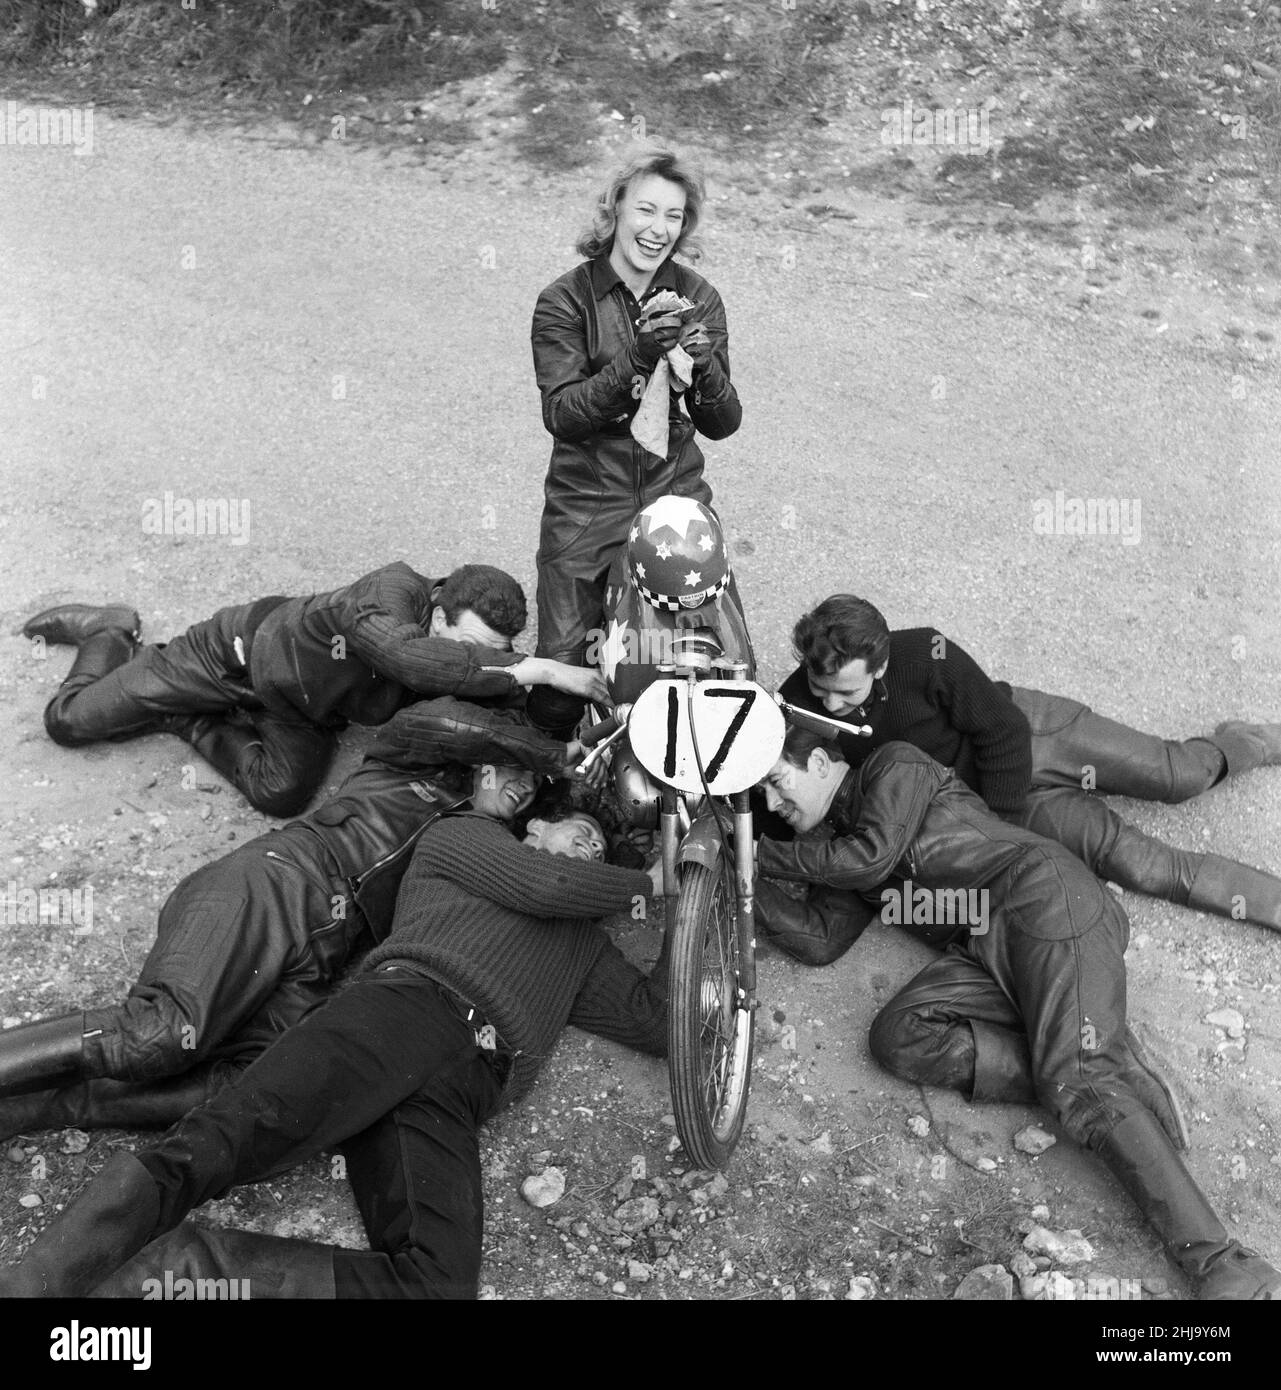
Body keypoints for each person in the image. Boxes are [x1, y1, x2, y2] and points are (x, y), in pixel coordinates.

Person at [0, 804, 664, 1300]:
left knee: (437, 1285)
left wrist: (695, 899)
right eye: (577, 830)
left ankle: (186, 1269)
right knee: (220, 1143)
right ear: (534, 831)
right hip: (400, 1011)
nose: (589, 844)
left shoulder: (586, 945)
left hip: (468, 1081)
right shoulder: (466, 839)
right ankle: (38, 1289)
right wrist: (649, 883)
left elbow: (658, 1021)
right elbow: (546, 887)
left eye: (600, 845)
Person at [753, 725, 1281, 1301]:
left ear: (824, 761)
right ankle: (1105, 1064)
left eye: (779, 784)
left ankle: (1226, 1268)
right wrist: (739, 876)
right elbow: (819, 938)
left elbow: (870, 858)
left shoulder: (891, 767)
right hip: (984, 950)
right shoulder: (834, 850)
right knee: (899, 1037)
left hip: (1044, 902)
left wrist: (757, 849)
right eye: (765, 805)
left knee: (1076, 1083)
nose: (777, 806)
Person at [0, 697, 584, 1142]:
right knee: (159, 1034)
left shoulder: (484, 849)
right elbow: (446, 722)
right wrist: (551, 752)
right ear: (484, 759)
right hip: (278, 882)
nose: (523, 785)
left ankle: (29, 1111)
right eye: (514, 768)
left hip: (322, 959)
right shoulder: (406, 761)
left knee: (254, 1087)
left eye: (532, 790)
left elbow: (542, 890)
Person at [776, 594, 1281, 931]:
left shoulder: (926, 652)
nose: (831, 705)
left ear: (880, 664)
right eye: (820, 689)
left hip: (1033, 736)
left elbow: (1003, 730)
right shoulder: (799, 701)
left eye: (845, 691)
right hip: (978, 802)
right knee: (1140, 865)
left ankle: (1249, 742)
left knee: (1178, 775)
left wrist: (997, 829)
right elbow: (776, 780)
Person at [22, 561, 605, 816]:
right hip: (229, 656)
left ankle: (187, 719)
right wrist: (548, 669)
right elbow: (414, 662)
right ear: (439, 610)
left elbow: (496, 699)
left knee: (281, 795)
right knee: (67, 722)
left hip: (300, 709)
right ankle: (111, 629)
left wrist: (569, 747)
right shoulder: (389, 594)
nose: (476, 660)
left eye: (491, 654)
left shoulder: (479, 655)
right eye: (467, 645)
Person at [527, 148, 742, 739]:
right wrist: (641, 355)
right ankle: (555, 786)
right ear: (615, 208)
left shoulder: (699, 297)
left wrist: (705, 371)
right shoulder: (565, 300)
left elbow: (723, 423)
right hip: (586, 502)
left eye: (673, 216)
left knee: (703, 665)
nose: (658, 229)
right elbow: (564, 415)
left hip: (675, 497)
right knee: (562, 676)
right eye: (646, 209)